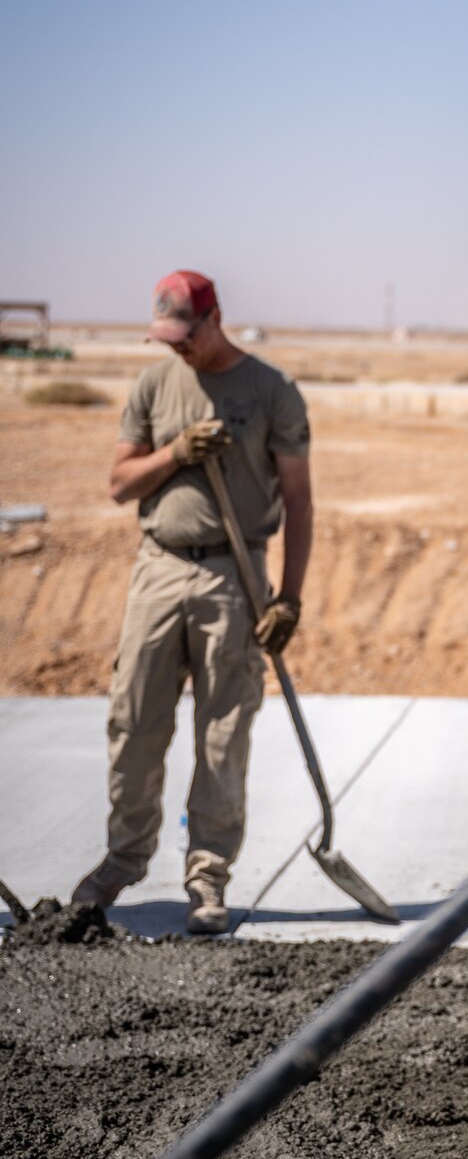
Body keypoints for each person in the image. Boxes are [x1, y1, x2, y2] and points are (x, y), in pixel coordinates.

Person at [72, 271, 312, 936]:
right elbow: (120, 483)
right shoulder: (154, 385)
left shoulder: (271, 391)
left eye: (186, 336)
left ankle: (207, 875)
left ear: (214, 319)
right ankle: (122, 862)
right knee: (134, 722)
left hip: (233, 578)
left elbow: (298, 500)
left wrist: (288, 598)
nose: (178, 348)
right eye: (168, 338)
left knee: (223, 732)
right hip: (159, 569)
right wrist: (176, 453)